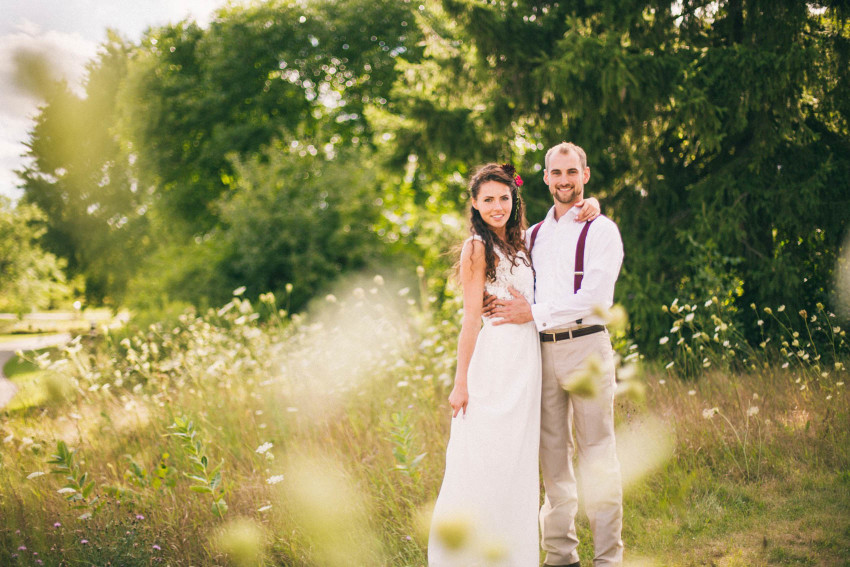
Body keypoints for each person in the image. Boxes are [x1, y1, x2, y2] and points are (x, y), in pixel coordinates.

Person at [428, 162, 600, 566]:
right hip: (495, 365)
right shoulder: (476, 248)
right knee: (487, 460)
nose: (497, 206)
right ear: (474, 204)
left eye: (503, 198)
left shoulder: (523, 241)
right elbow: (471, 318)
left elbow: (565, 223)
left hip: (528, 365)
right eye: (487, 199)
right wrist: (460, 382)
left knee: (519, 466)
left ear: (514, 199)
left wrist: (589, 202)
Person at [489, 142, 625, 567]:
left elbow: (596, 297)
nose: (564, 180)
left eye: (572, 172)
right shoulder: (531, 236)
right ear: (545, 178)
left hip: (586, 347)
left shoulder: (602, 229)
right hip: (540, 354)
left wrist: (533, 312)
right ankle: (561, 556)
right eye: (556, 173)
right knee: (552, 460)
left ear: (585, 174)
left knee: (597, 455)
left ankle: (608, 559)